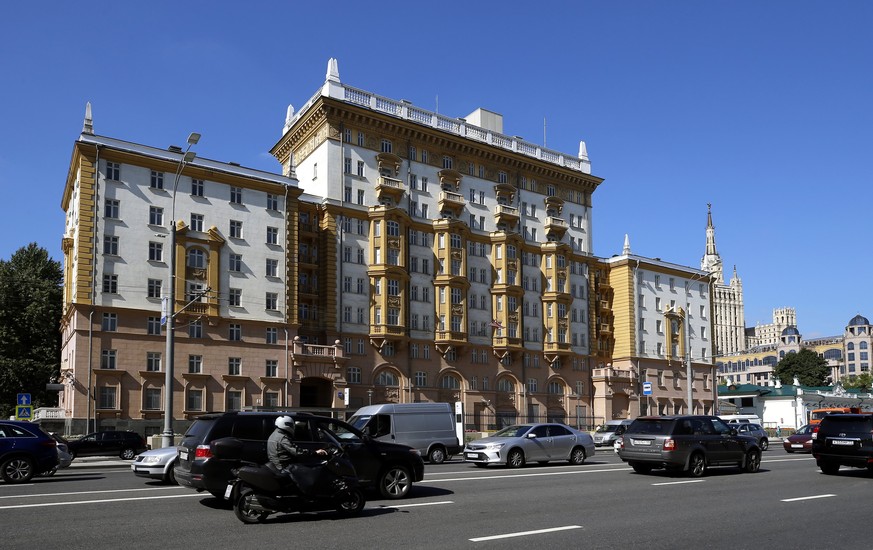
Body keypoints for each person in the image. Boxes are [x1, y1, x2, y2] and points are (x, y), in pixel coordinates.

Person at [267, 416, 327, 494]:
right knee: (311, 473)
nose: (292, 427)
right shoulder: (283, 438)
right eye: (291, 425)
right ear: (286, 425)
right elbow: (297, 452)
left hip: (277, 464)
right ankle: (308, 494)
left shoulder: (275, 434)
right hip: (285, 466)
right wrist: (314, 452)